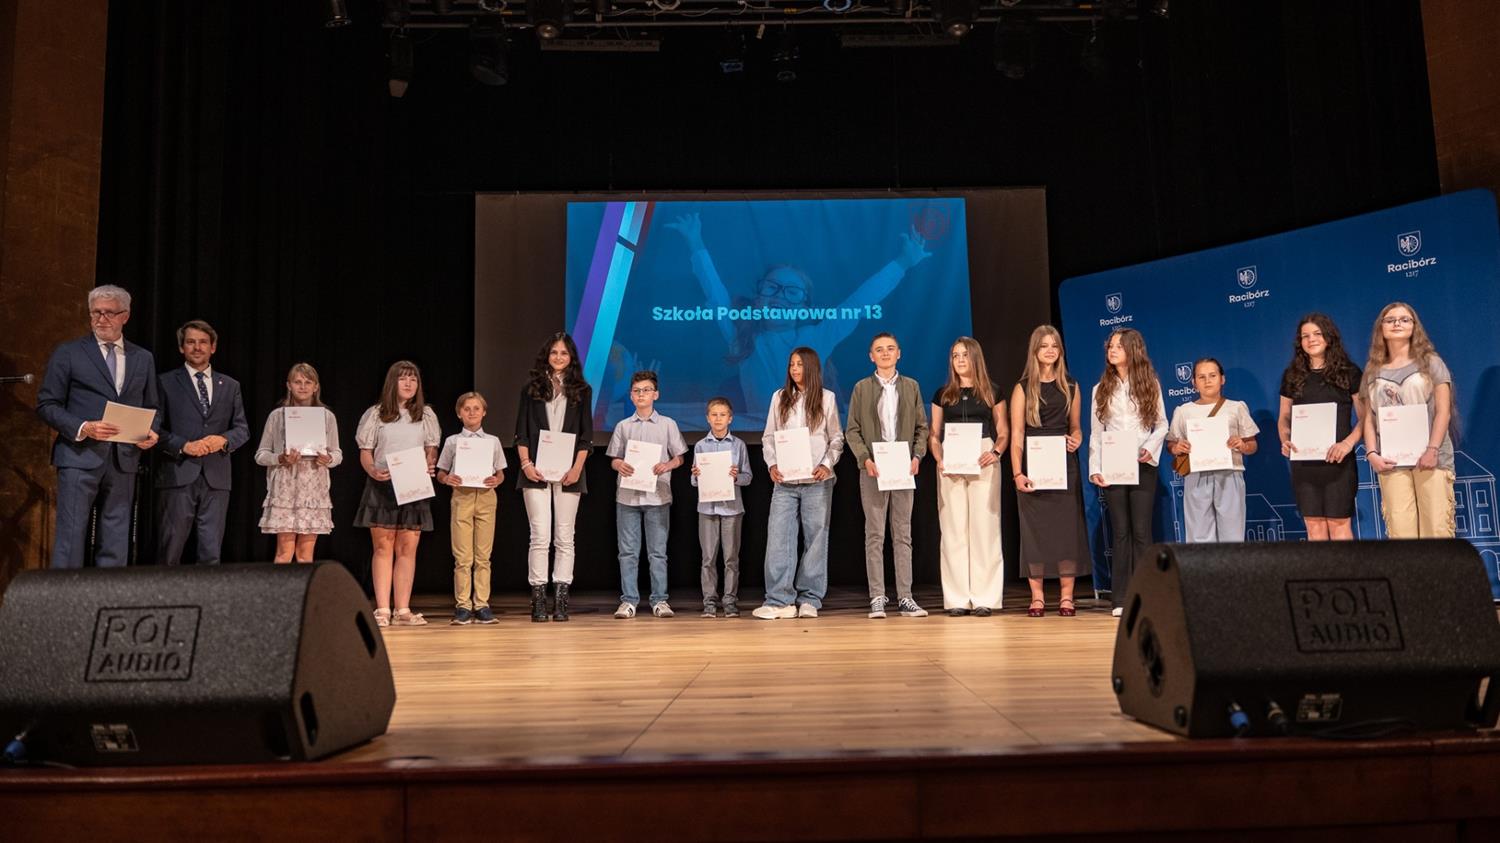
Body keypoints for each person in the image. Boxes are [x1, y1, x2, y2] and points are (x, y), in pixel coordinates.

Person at [664, 212, 930, 427]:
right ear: (758, 298)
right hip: (762, 435)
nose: (780, 296)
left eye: (791, 292)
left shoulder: (815, 338)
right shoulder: (744, 338)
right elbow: (716, 293)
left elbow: (858, 303)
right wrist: (695, 242)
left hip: (808, 435)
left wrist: (903, 263)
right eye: (772, 288)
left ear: (804, 306)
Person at [36, 284, 160, 568]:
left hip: (123, 460)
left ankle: (108, 594)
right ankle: (65, 595)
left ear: (125, 316)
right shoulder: (69, 352)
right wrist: (83, 427)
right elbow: (47, 404)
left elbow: (154, 406)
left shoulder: (142, 358)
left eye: (109, 313)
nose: (101, 319)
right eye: (96, 313)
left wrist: (151, 431)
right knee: (71, 537)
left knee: (116, 536)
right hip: (79, 457)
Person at [754, 347, 844, 619]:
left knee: (816, 540)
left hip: (817, 480)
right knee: (779, 539)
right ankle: (779, 600)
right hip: (785, 481)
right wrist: (772, 464)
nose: (794, 369)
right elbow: (769, 437)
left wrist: (826, 465)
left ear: (812, 367)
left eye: (800, 364)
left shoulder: (827, 398)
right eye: (792, 364)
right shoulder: (779, 397)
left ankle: (810, 599)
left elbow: (836, 438)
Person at [845, 332, 930, 619]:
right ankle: (877, 597)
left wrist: (917, 456)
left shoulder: (911, 386)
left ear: (899, 353)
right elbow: (852, 429)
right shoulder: (861, 388)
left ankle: (905, 597)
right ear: (871, 356)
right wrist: (864, 459)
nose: (885, 353)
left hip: (903, 467)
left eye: (890, 348)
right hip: (874, 467)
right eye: (879, 349)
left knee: (903, 534)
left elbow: (922, 427)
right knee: (875, 534)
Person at [154, 320, 250, 566]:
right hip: (177, 474)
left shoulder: (230, 385)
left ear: (213, 347)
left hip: (216, 477)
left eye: (203, 342)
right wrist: (183, 445)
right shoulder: (164, 382)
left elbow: (242, 429)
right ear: (181, 348)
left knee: (211, 551)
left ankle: (208, 593)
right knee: (170, 548)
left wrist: (223, 440)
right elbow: (153, 429)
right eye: (191, 342)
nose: (197, 347)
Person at [354, 360, 441, 627]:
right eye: (403, 378)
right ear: (393, 382)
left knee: (407, 548)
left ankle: (402, 609)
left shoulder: (426, 414)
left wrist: (430, 462)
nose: (408, 383)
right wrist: (372, 470)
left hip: (413, 484)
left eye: (413, 379)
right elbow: (365, 452)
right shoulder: (376, 414)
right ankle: (382, 608)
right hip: (383, 483)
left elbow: (431, 448)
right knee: (383, 546)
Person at [1010, 326, 1090, 617]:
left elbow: (1076, 427)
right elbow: (1017, 434)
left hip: (1064, 466)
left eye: (1054, 345)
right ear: (1035, 350)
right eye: (1044, 346)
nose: (1050, 350)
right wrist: (1017, 473)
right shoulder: (1022, 388)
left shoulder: (1071, 385)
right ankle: (1038, 597)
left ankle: (1067, 597)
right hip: (1032, 466)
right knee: (1036, 532)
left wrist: (1077, 438)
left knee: (1067, 531)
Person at [1088, 328, 1167, 617]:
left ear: (1133, 350)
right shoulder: (1099, 389)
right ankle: (1120, 598)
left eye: (1118, 346)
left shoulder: (1150, 384)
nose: (1112, 350)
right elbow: (1097, 433)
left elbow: (1162, 424)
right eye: (1110, 346)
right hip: (1114, 465)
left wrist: (1149, 448)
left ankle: (1147, 594)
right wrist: (1095, 468)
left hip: (1142, 464)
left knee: (1141, 531)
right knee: (1120, 531)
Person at [515, 332, 593, 622]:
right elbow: (521, 433)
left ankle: (561, 601)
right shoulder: (531, 389)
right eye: (554, 352)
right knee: (539, 536)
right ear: (546, 356)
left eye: (564, 353)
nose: (559, 357)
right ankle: (538, 600)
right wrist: (526, 464)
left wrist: (576, 468)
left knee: (564, 537)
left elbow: (586, 436)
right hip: (535, 471)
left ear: (571, 358)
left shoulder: (582, 390)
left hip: (570, 472)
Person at [1362, 302, 1457, 538]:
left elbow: (1443, 411)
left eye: (1405, 319)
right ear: (1381, 328)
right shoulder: (1372, 370)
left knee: (1436, 530)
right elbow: (1368, 417)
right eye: (1390, 320)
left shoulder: (1431, 362)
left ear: (1414, 326)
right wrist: (1372, 453)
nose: (1397, 324)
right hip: (1391, 460)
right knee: (1400, 533)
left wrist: (1432, 449)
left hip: (1431, 458)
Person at [930, 336, 1008, 616]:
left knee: (985, 527)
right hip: (951, 458)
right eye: (955, 355)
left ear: (975, 357)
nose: (960, 360)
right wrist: (939, 456)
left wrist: (995, 452)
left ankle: (985, 597)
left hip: (983, 455)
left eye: (964, 355)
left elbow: (1003, 431)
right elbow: (934, 434)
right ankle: (957, 599)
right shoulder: (943, 394)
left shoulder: (992, 391)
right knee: (953, 528)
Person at [1276, 313, 1366, 541]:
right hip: (1304, 463)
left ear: (1329, 337)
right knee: (1314, 528)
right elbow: (1284, 416)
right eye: (1305, 336)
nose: (1311, 339)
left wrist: (1347, 444)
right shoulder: (1292, 375)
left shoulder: (1349, 372)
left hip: (1338, 462)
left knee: (1339, 526)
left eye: (1317, 333)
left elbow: (1366, 417)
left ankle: (1346, 568)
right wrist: (1285, 439)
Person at [607, 371, 688, 619]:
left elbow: (680, 457)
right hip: (628, 496)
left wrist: (667, 465)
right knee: (628, 552)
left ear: (656, 394)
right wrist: (619, 465)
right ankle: (628, 601)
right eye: (636, 391)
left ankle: (660, 600)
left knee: (657, 552)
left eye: (646, 390)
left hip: (657, 495)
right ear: (631, 396)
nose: (641, 394)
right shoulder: (623, 426)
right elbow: (614, 458)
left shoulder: (667, 424)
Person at [254, 362, 341, 563]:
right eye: (297, 382)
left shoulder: (327, 417)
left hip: (313, 490)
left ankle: (304, 586)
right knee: (284, 552)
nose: (302, 386)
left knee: (305, 554)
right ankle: (281, 587)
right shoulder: (277, 416)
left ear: (316, 387)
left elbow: (337, 453)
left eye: (308, 382)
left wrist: (328, 459)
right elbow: (261, 455)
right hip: (285, 489)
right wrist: (280, 458)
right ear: (289, 385)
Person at [1166, 358, 1259, 542]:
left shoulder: (1236, 408)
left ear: (1222, 379)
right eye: (1201, 377)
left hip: (1230, 473)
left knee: (1232, 534)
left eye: (1212, 375)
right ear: (1193, 382)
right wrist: (1176, 447)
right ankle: (1203, 563)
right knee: (1198, 534)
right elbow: (1171, 444)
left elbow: (1252, 445)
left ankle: (1231, 563)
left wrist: (1242, 445)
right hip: (1196, 476)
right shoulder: (1184, 411)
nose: (1207, 381)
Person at [436, 391, 507, 625]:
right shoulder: (453, 441)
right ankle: (463, 606)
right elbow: (441, 472)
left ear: (484, 412)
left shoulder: (493, 441)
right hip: (462, 497)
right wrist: (447, 478)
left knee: (483, 556)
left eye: (477, 408)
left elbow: (500, 472)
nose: (472, 413)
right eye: (467, 409)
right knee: (463, 557)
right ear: (459, 413)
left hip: (486, 497)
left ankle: (482, 604)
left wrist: (497, 479)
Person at [690, 397, 753, 618]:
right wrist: (696, 475)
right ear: (708, 418)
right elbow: (694, 481)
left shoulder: (738, 445)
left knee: (730, 559)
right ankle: (709, 602)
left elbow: (748, 477)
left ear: (730, 418)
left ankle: (729, 601)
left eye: (722, 415)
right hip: (707, 508)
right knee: (708, 558)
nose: (718, 419)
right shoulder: (700, 445)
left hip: (732, 509)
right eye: (714, 415)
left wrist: (736, 477)